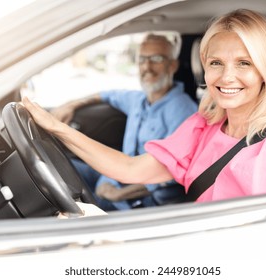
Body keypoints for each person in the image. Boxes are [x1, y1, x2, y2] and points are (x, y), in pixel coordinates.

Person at [23, 9, 266, 207]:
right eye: (216, 63)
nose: (227, 77)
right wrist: (57, 129)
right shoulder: (205, 125)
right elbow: (130, 168)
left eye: (244, 63)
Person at [50, 33, 198, 210]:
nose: (147, 66)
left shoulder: (183, 110)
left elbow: (174, 171)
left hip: (146, 202)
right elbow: (107, 95)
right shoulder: (138, 99)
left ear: (172, 65)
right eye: (142, 59)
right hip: (118, 178)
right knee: (56, 165)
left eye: (156, 59)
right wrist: (72, 105)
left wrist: (118, 194)